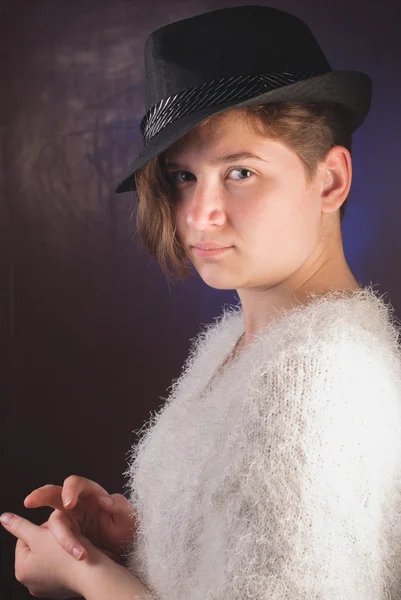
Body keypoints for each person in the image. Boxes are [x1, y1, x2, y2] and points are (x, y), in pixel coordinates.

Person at [2, 5, 401, 599]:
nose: (196, 214)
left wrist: (86, 577)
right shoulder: (241, 341)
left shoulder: (317, 378)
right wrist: (132, 539)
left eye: (239, 171)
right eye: (182, 176)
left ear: (331, 181)